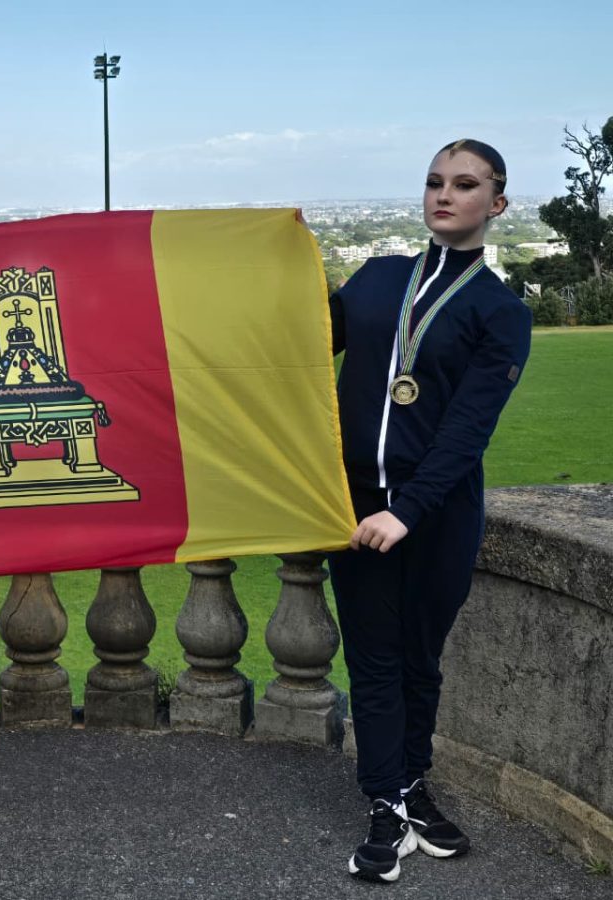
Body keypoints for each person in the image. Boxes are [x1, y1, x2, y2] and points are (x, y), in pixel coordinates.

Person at [328, 140, 531, 884]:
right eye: (435, 182)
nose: (445, 194)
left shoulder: (500, 311)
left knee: (420, 660)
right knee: (374, 660)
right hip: (354, 506)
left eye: (466, 184)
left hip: (436, 513)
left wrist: (406, 511)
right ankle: (387, 799)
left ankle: (412, 783)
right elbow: (298, 345)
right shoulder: (376, 279)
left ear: (496, 204)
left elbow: (466, 431)